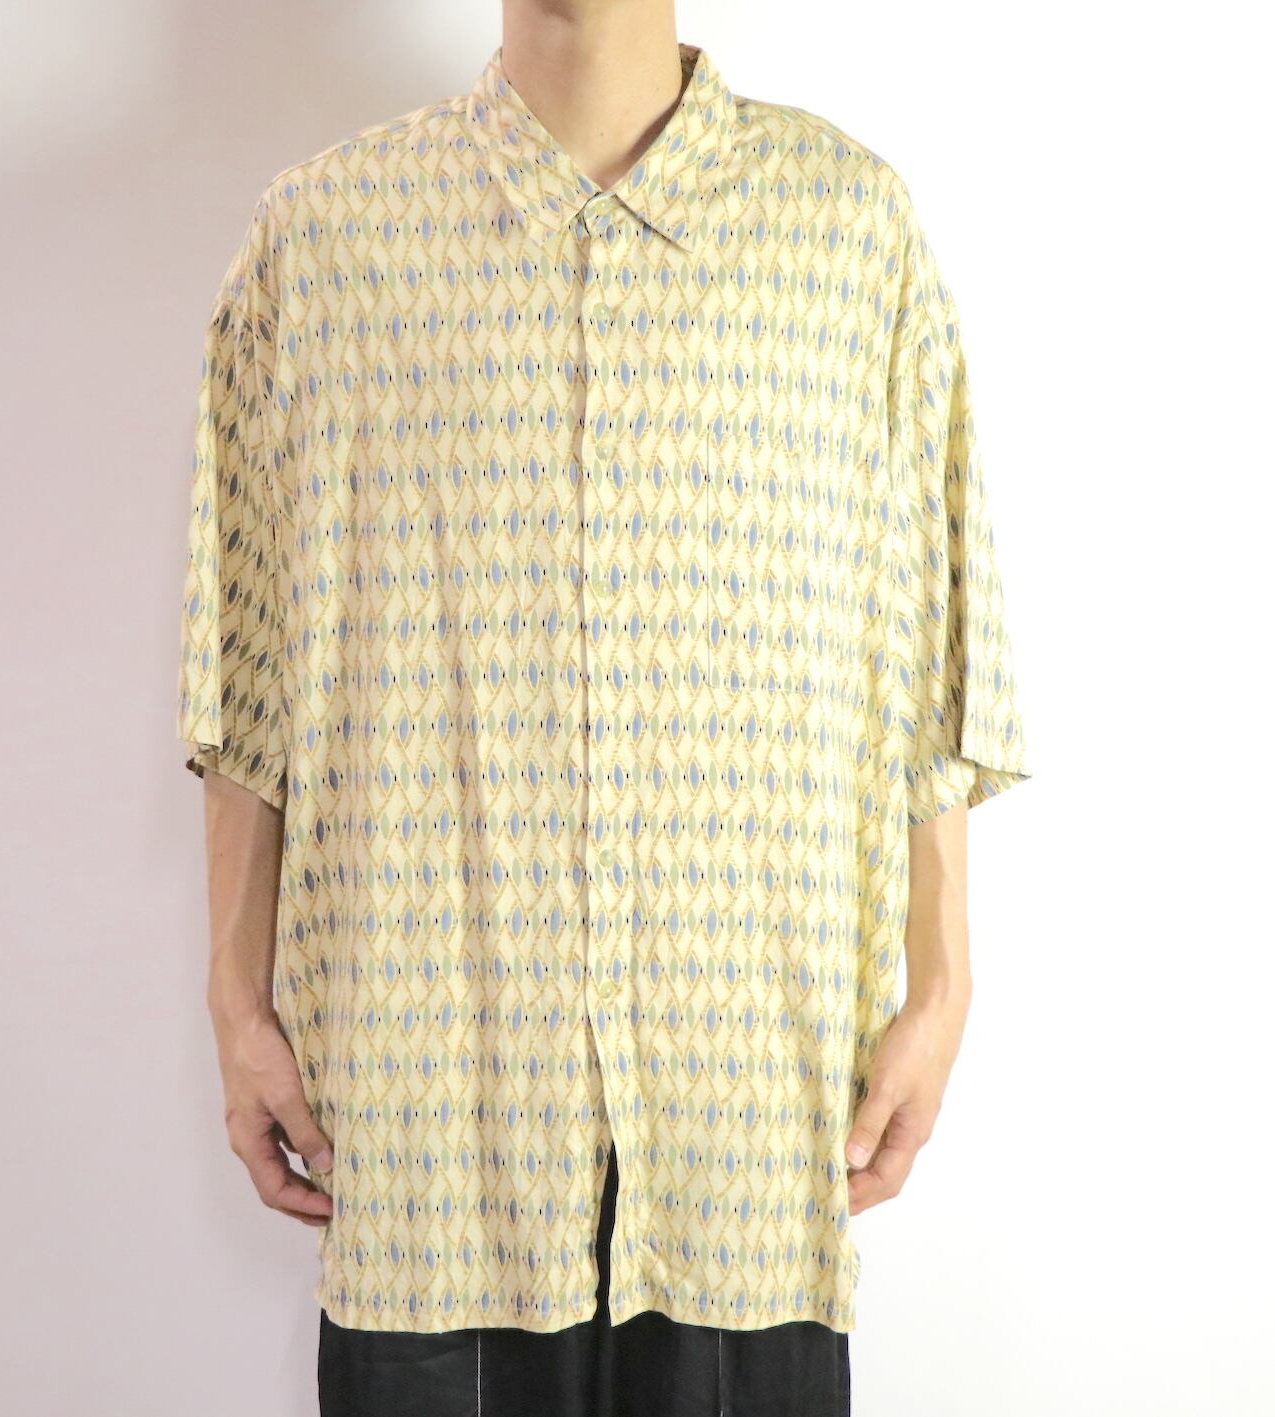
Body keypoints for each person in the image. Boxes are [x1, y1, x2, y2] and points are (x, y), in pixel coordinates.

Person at [176, 3, 1033, 1413]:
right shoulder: (326, 241)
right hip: (429, 1114)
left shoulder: (846, 230)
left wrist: (942, 984)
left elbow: (932, 644)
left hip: (748, 1114)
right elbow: (245, 670)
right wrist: (234, 996)